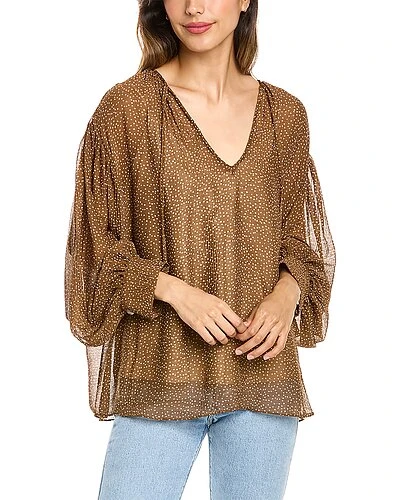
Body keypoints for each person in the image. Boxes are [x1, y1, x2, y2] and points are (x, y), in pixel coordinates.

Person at [64, 1, 336, 498]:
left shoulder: (285, 115)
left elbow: (299, 240)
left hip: (262, 375)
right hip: (160, 371)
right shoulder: (129, 109)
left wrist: (287, 294)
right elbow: (93, 248)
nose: (194, 7)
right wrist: (175, 291)